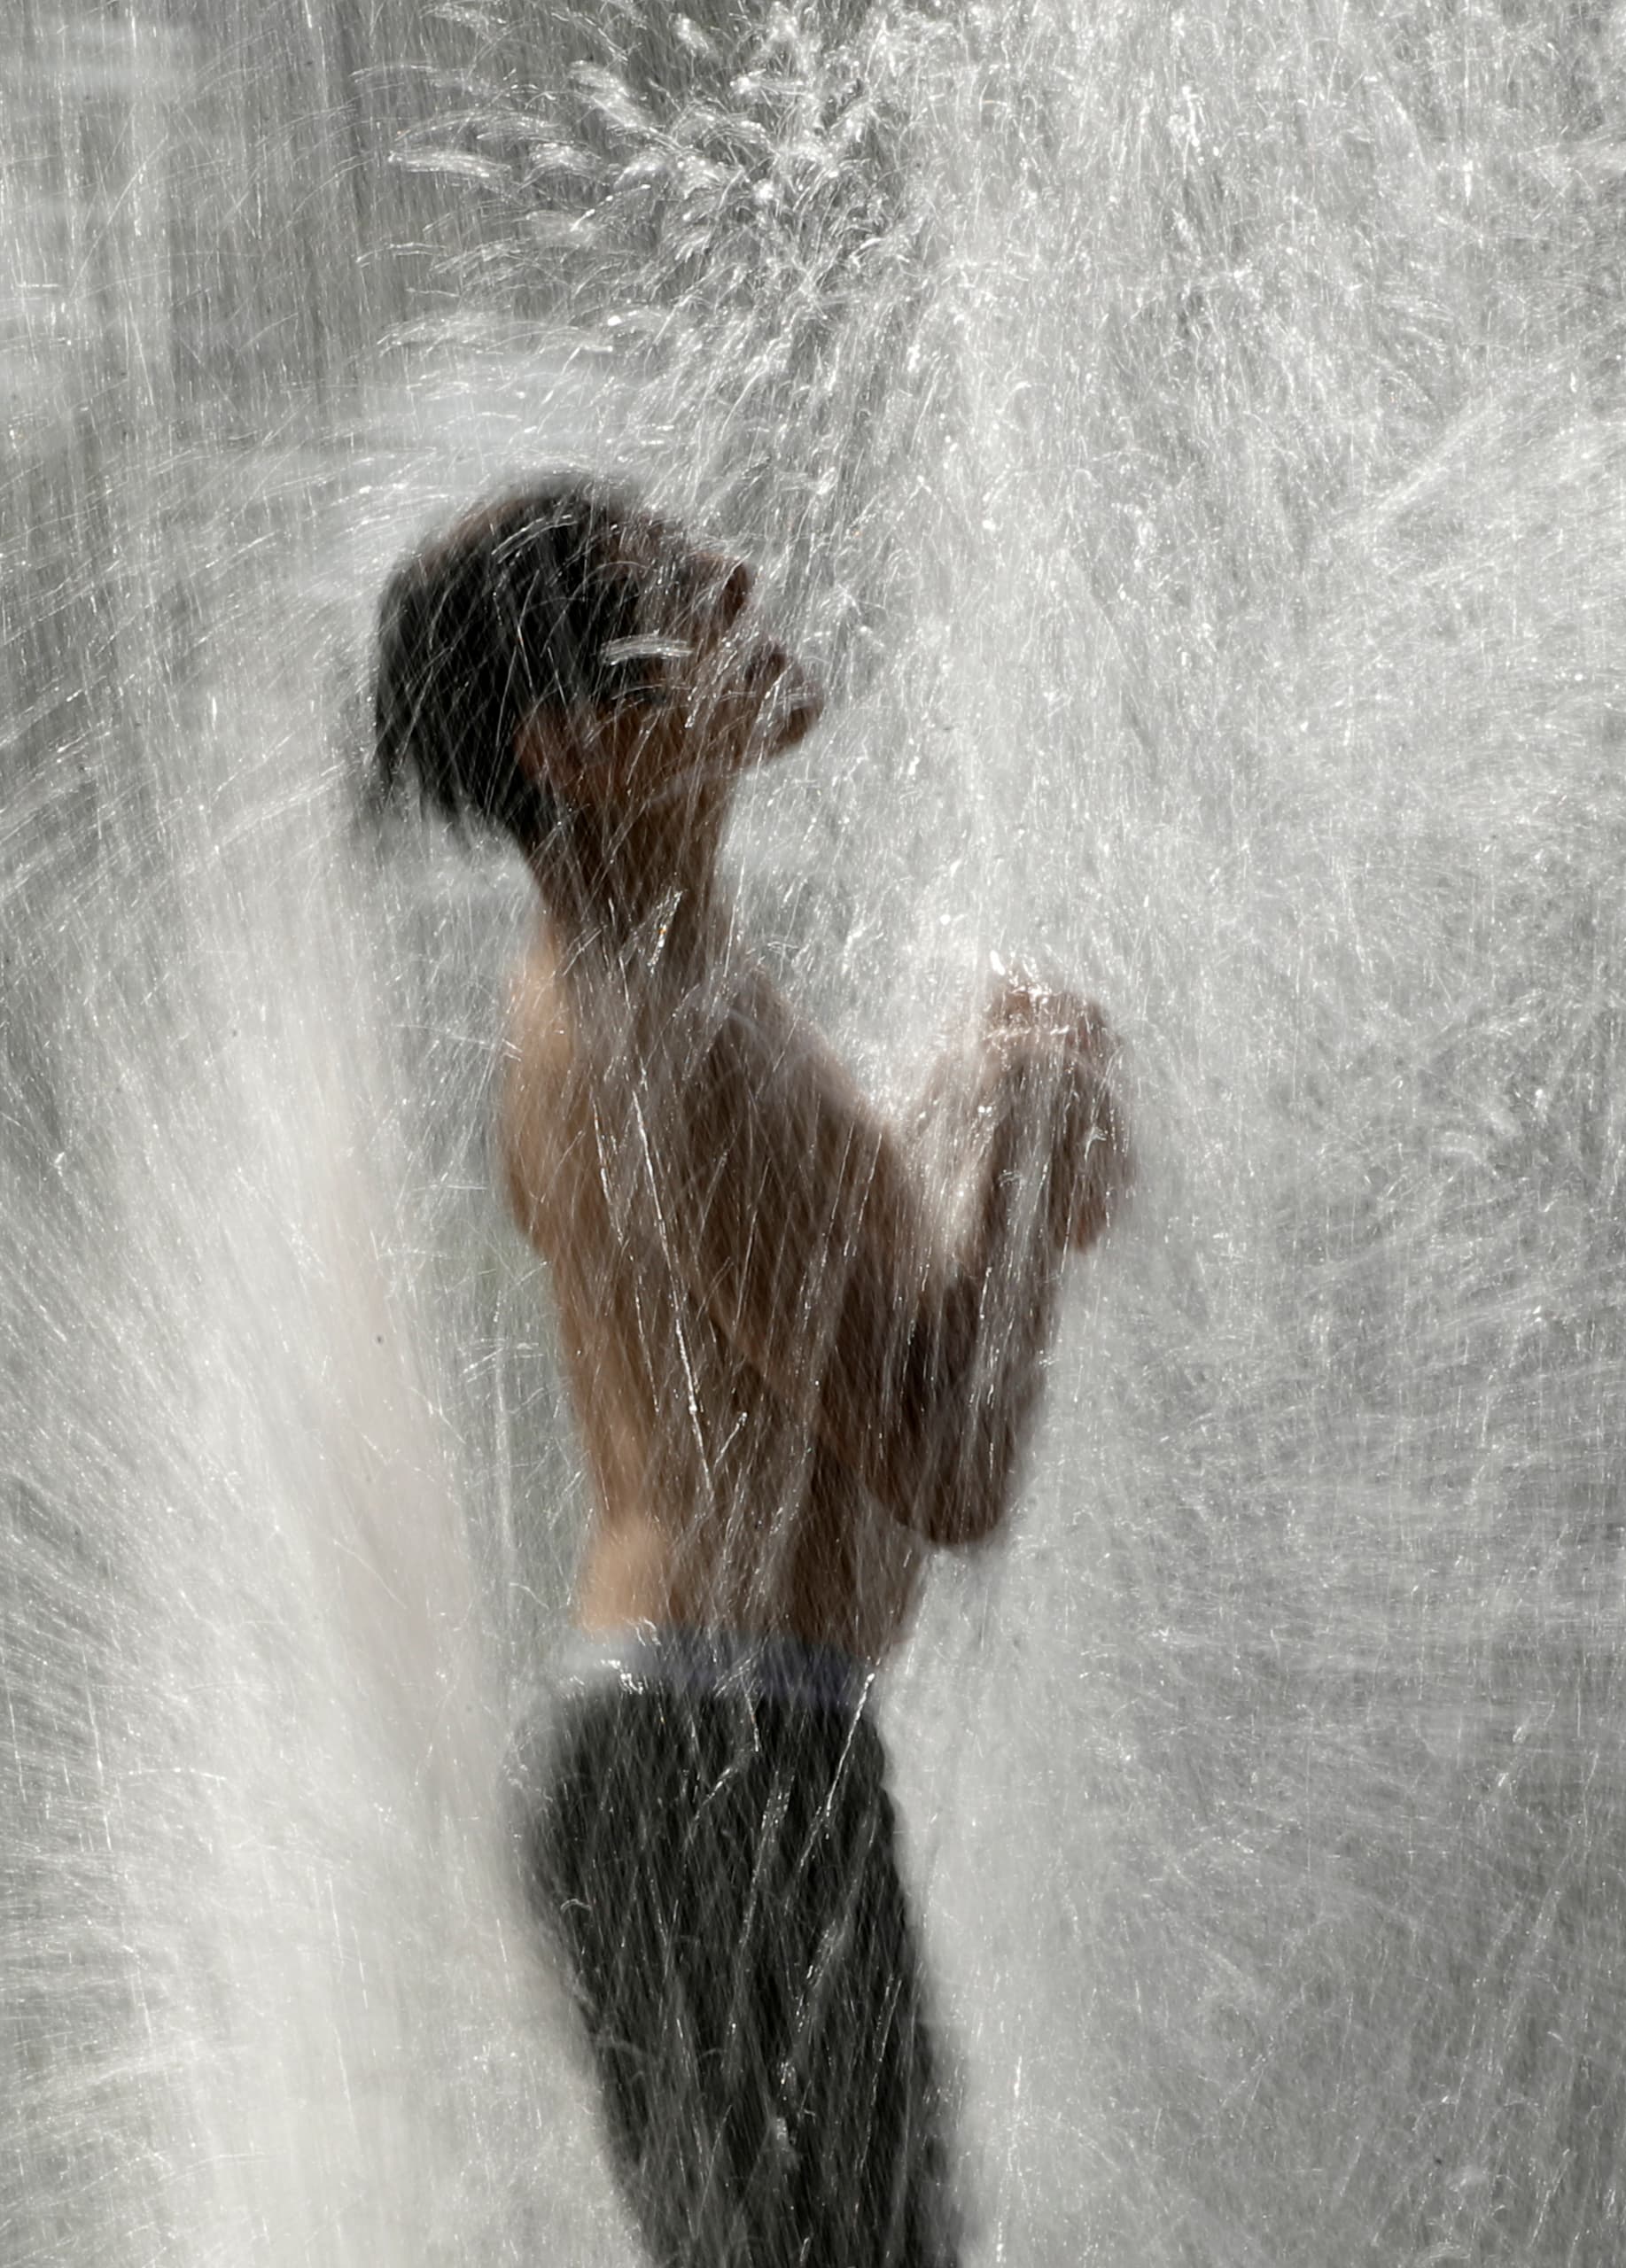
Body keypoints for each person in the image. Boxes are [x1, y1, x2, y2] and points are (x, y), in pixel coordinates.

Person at [369, 474, 1129, 2267]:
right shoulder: (660, 1036)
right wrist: (1016, 1153)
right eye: (668, 594)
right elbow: (947, 1465)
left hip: (708, 1759)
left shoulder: (649, 980)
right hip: (725, 1766)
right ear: (574, 741)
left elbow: (780, 1297)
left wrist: (974, 1110)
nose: (735, 574)